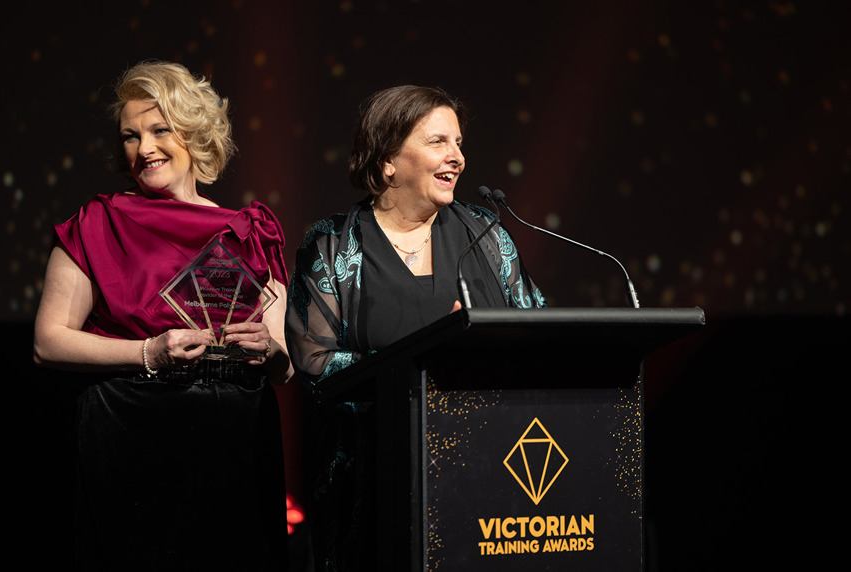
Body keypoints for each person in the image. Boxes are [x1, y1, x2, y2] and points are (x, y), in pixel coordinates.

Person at [33, 60, 293, 571]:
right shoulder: (99, 222)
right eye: (130, 136)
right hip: (133, 428)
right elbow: (47, 342)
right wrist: (149, 351)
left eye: (159, 130)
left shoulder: (250, 230)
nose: (143, 148)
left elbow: (285, 367)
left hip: (236, 438)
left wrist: (268, 350)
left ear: (194, 133)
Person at [285, 85, 545, 570]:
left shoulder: (487, 234)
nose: (457, 157)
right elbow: (315, 363)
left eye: (459, 143)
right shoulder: (332, 245)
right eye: (438, 142)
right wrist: (428, 356)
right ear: (387, 160)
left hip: (493, 479)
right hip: (377, 487)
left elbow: (538, 329)